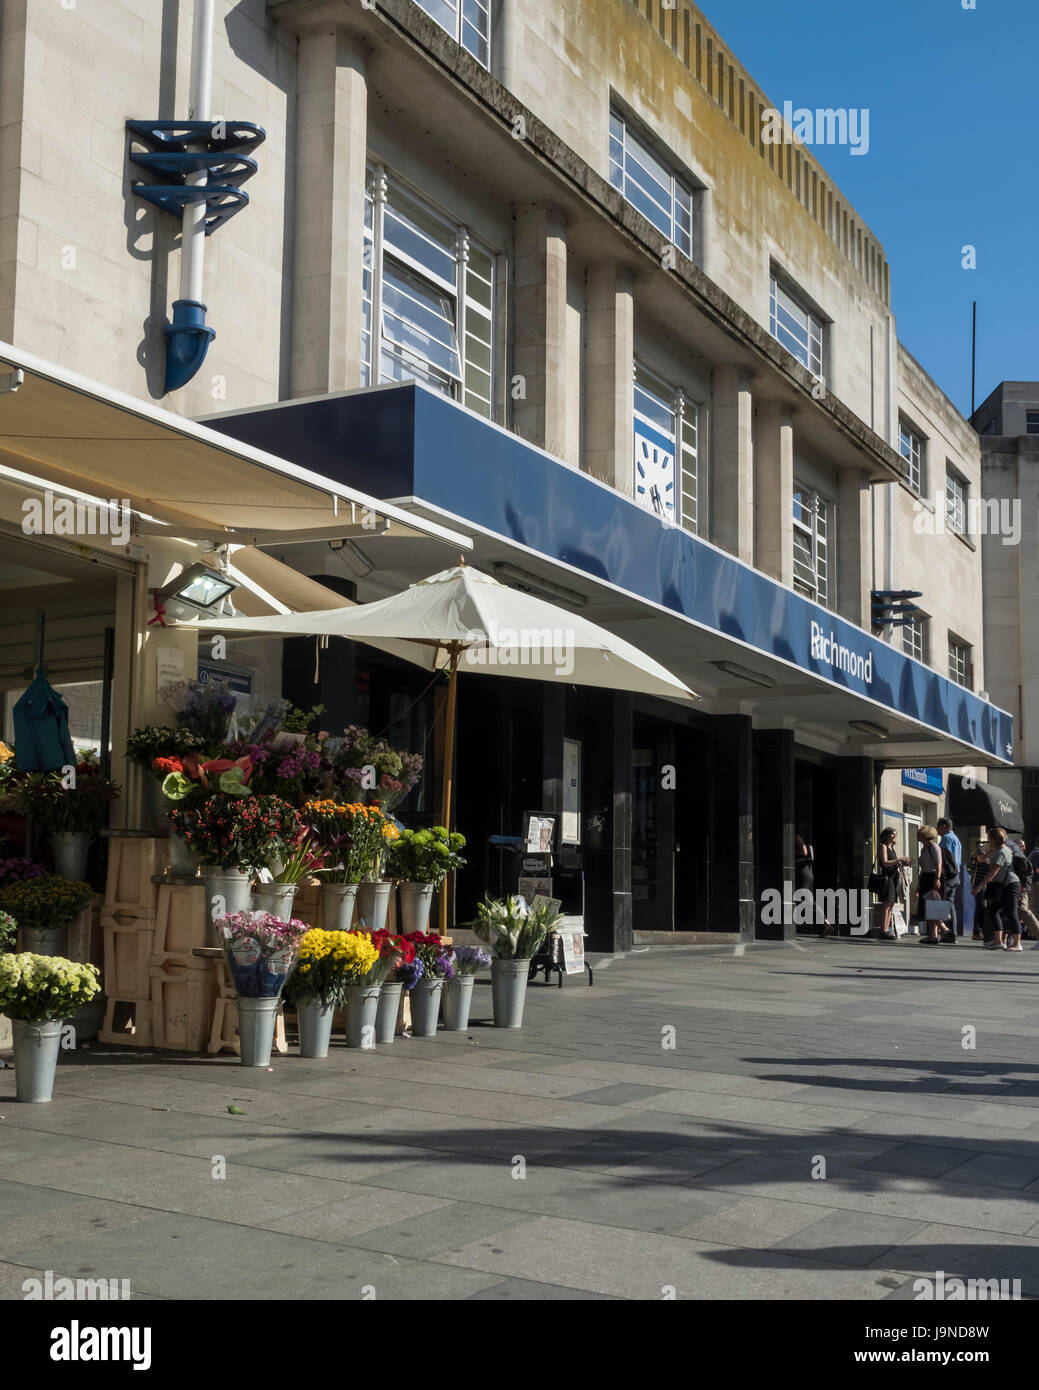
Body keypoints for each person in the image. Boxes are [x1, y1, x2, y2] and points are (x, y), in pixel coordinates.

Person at [973, 828, 1022, 951]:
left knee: (1012, 912)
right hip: (1005, 885)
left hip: (1011, 884)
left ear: (994, 839)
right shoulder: (997, 850)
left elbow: (993, 873)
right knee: (993, 909)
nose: (988, 840)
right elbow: (981, 860)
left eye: (989, 838)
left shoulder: (1002, 852)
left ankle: (1017, 944)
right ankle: (998, 941)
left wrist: (979, 886)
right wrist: (986, 851)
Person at [917, 825, 952, 944]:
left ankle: (944, 929)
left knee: (932, 906)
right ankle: (932, 936)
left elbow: (939, 864)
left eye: (919, 834)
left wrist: (937, 878)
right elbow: (923, 867)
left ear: (925, 836)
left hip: (933, 877)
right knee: (929, 907)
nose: (917, 836)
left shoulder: (934, 847)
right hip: (926, 877)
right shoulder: (924, 849)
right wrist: (919, 882)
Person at [874, 826, 909, 940]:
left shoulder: (892, 848)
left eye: (895, 834)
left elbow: (893, 863)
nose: (894, 836)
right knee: (886, 904)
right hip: (887, 878)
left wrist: (901, 862)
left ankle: (887, 929)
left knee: (891, 904)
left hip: (893, 879)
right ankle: (883, 930)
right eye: (892, 834)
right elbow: (884, 863)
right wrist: (899, 859)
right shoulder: (883, 847)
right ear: (886, 835)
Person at [795, 830, 832, 936]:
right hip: (806, 872)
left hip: (803, 873)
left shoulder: (796, 836)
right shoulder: (802, 839)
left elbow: (804, 852)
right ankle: (825, 924)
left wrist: (790, 853)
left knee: (806, 900)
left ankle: (826, 923)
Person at [936, 817, 962, 936]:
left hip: (948, 874)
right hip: (956, 874)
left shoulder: (946, 838)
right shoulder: (956, 838)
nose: (937, 829)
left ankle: (950, 933)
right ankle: (952, 933)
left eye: (938, 826)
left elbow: (943, 858)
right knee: (950, 903)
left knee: (946, 903)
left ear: (945, 827)